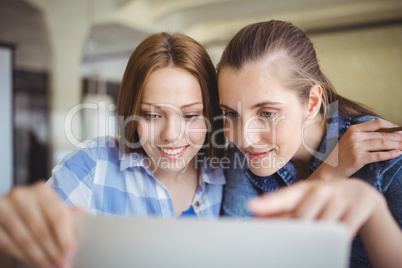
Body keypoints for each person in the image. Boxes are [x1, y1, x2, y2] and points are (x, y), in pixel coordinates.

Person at [0, 32, 225, 268]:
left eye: (190, 116)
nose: (170, 134)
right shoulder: (92, 166)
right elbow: (27, 252)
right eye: (151, 115)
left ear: (210, 115)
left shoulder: (229, 173)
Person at [217, 20, 402, 267]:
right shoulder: (244, 152)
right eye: (231, 113)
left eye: (267, 113)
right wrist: (328, 174)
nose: (244, 139)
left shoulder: (385, 153)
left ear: (312, 102)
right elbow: (238, 256)